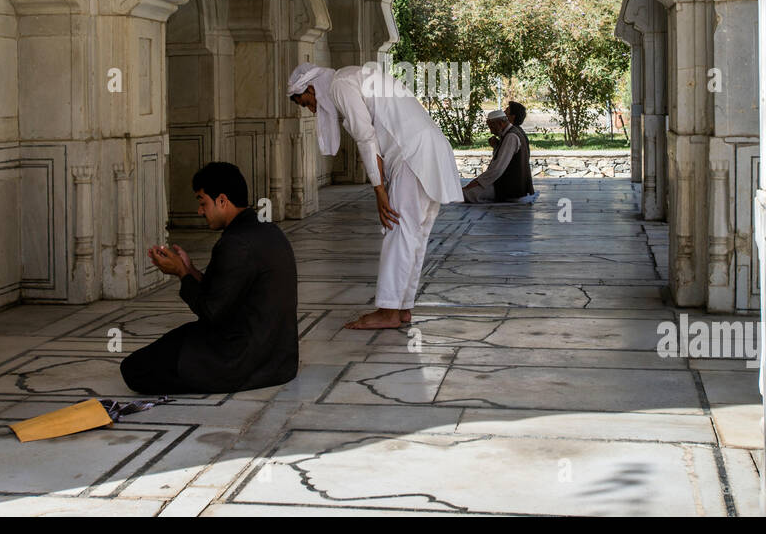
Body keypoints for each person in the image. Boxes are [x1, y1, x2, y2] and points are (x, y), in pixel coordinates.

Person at [287, 60, 463, 329]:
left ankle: (389, 311)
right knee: (414, 233)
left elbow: (366, 138)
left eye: (306, 103)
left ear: (311, 88)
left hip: (411, 155)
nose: (311, 109)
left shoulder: (339, 85)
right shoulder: (351, 75)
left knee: (398, 229)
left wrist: (379, 192)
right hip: (427, 148)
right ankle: (402, 308)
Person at [120, 161, 298, 394]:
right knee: (175, 342)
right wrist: (191, 269)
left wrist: (181, 273)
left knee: (134, 369)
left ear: (222, 200)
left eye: (203, 203)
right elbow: (227, 292)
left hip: (241, 358)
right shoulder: (265, 229)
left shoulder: (235, 243)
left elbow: (210, 311)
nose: (200, 211)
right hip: (278, 359)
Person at [462, 108, 535, 203]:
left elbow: (497, 169)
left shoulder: (511, 137)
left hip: (509, 188)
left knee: (466, 194)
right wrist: (496, 146)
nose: (491, 132)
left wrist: (474, 183)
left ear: (501, 123)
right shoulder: (512, 133)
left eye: (492, 127)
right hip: (507, 184)